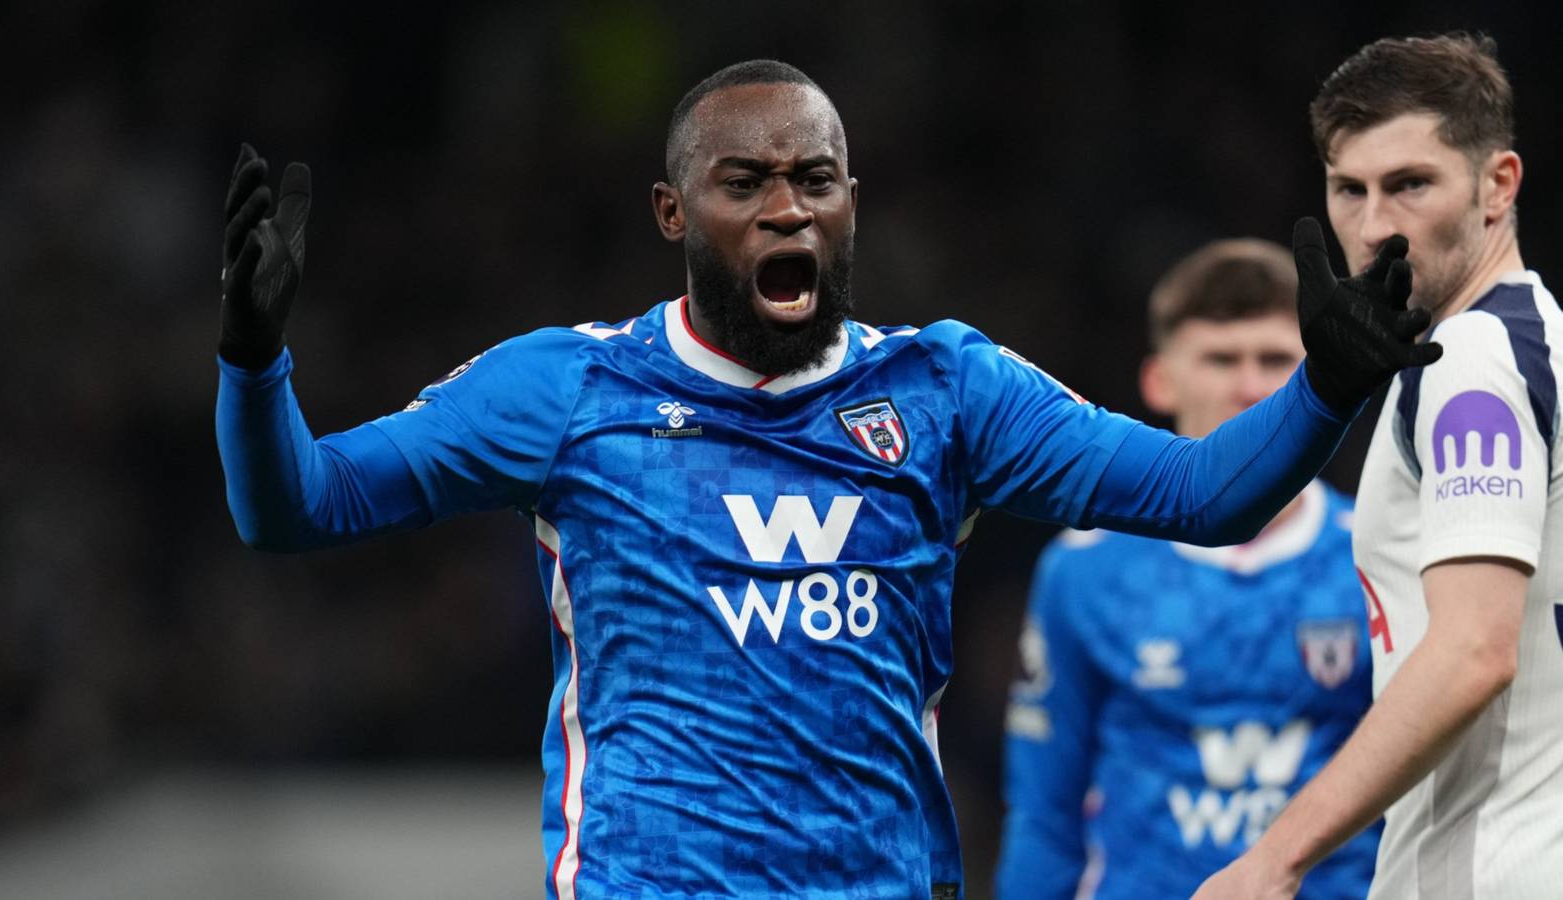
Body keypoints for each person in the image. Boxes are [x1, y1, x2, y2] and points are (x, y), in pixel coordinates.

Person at [216, 60, 1437, 898]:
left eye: (813, 179)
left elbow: (1203, 497)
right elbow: (299, 506)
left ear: (851, 200)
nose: (785, 209)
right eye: (743, 183)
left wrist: (1325, 385)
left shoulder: (944, 389)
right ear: (672, 212)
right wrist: (256, 365)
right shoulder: (568, 389)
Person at [1194, 33, 1563, 900]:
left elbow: (1472, 651)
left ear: (1498, 185)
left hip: (1489, 869)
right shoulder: (1532, 339)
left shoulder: (1474, 360)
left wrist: (1274, 859)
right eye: (1348, 189)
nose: (1372, 229)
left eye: (1411, 185)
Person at [996, 239, 1380, 899]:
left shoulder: (1376, 555)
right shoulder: (1086, 572)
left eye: (1277, 361)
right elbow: (1045, 810)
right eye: (1221, 359)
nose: (1251, 386)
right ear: (1160, 381)